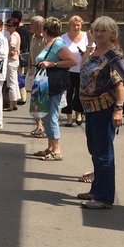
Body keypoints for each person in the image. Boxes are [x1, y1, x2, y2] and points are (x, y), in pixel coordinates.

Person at [76, 17, 124, 209]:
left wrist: (119, 109)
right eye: (96, 30)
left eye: (103, 31)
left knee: (104, 153)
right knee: (95, 150)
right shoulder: (95, 51)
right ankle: (96, 189)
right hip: (90, 108)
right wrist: (89, 48)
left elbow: (121, 82)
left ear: (112, 33)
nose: (99, 34)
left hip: (104, 109)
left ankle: (104, 197)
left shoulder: (114, 55)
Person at [32, 17, 78, 161]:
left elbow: (72, 61)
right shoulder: (51, 42)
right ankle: (50, 147)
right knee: (45, 114)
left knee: (51, 115)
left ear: (46, 30)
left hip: (53, 84)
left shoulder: (58, 43)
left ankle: (57, 150)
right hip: (44, 83)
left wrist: (52, 64)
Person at [60, 15, 88, 126]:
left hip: (83, 69)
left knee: (79, 93)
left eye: (78, 25)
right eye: (74, 25)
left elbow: (93, 50)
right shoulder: (64, 37)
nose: (76, 27)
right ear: (69, 26)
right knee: (67, 93)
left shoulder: (87, 36)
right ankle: (68, 117)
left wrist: (86, 53)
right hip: (68, 69)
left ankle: (79, 114)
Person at [26, 16, 46, 137]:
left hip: (43, 73)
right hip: (33, 71)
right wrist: (29, 67)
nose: (30, 27)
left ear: (39, 26)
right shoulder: (33, 37)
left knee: (41, 100)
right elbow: (30, 53)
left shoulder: (46, 39)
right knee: (34, 100)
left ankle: (42, 125)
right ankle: (38, 124)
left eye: (32, 25)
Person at [3, 16, 22, 110]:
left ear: (14, 27)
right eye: (7, 25)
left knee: (11, 83)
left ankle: (11, 104)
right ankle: (14, 103)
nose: (8, 27)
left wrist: (10, 51)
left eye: (10, 26)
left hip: (11, 60)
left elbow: (13, 46)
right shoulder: (16, 34)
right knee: (14, 81)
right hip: (15, 60)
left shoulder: (13, 35)